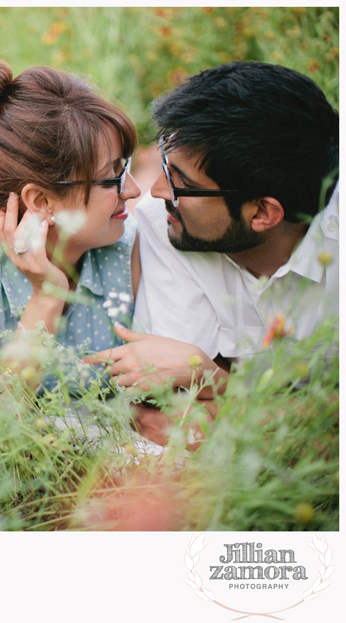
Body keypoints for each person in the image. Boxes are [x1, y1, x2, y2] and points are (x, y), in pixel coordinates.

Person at [86, 62, 339, 445]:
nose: (155, 193)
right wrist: (314, 420)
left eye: (181, 184)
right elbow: (164, 420)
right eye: (165, 169)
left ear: (262, 213)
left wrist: (214, 380)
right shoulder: (164, 226)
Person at [0, 58, 142, 392]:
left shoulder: (134, 243)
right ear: (41, 202)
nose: (132, 190)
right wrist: (46, 296)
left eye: (125, 167)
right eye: (111, 177)